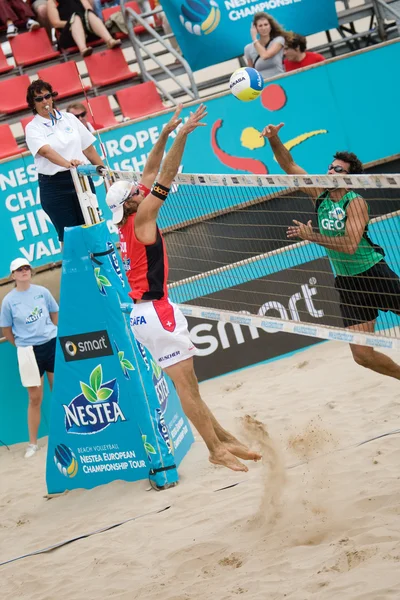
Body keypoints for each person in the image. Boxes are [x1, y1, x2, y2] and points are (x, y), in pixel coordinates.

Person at [105, 105, 261, 472]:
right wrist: (183, 135)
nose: (139, 191)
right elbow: (166, 175)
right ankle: (215, 448)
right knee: (186, 387)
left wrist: (162, 134)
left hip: (151, 312)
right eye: (134, 193)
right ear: (129, 204)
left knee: (189, 383)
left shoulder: (128, 217)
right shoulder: (143, 217)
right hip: (155, 312)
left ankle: (221, 437)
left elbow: (148, 170)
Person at [262, 122, 400, 380]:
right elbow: (289, 166)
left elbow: (349, 246)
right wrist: (274, 139)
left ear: (346, 177)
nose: (330, 169)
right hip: (348, 284)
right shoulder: (320, 195)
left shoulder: (355, 202)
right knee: (362, 356)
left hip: (374, 274)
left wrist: (311, 236)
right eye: (330, 166)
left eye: (337, 168)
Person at [25, 79, 104, 243]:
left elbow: (88, 148)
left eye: (47, 96)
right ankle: (76, 268)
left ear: (52, 97)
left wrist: (105, 171)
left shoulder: (69, 118)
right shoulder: (33, 127)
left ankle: (99, 267)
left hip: (81, 178)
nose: (45, 101)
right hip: (55, 186)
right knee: (69, 236)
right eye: (39, 99)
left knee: (93, 225)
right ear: (33, 104)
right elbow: (46, 151)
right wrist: (68, 164)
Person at [0, 258, 59, 458]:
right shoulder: (8, 301)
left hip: (51, 344)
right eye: (19, 269)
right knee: (35, 398)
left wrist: (53, 332)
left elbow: (54, 312)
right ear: (13, 275)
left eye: (26, 268)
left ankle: (66, 434)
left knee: (59, 391)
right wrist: (21, 346)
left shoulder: (42, 292)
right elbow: (7, 330)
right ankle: (32, 443)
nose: (24, 271)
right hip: (28, 352)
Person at [47, 0, 121, 57]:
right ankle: (83, 49)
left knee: (90, 14)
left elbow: (89, 9)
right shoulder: (52, 2)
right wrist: (73, 22)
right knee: (75, 18)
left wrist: (82, 22)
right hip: (69, 34)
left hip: (87, 29)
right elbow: (56, 23)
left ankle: (110, 40)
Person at [244, 12, 287, 80]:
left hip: (280, 79)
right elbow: (251, 72)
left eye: (266, 24)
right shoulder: (248, 48)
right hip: (263, 84)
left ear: (270, 26)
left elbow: (265, 55)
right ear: (255, 28)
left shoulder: (279, 40)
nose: (263, 28)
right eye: (260, 26)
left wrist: (254, 39)